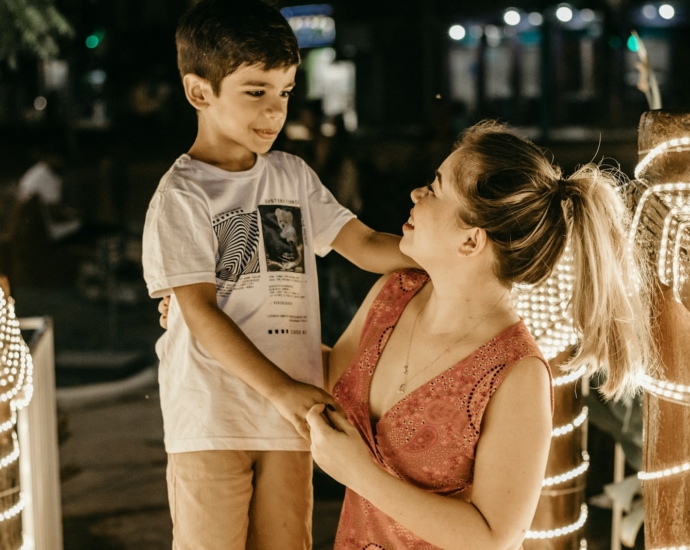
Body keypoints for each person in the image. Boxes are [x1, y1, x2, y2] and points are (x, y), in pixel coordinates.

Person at [305, 121, 656, 550]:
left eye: (434, 189)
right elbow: (325, 376)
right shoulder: (393, 295)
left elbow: (494, 536)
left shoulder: (517, 373)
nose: (417, 194)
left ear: (472, 241)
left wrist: (358, 474)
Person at [141, 1, 416, 549]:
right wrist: (284, 390)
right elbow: (197, 310)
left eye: (285, 92)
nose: (274, 111)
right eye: (255, 92)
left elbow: (361, 244)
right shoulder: (183, 194)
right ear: (200, 92)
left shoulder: (291, 174)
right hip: (213, 413)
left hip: (292, 417)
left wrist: (441, 254)